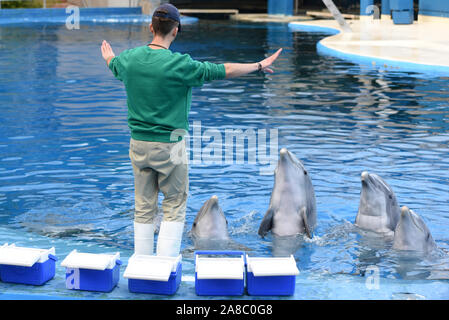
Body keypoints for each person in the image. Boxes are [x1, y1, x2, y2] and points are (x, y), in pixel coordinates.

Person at [101, 3, 282, 257]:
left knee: (143, 207)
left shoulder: (129, 59)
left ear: (151, 27)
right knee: (174, 205)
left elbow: (114, 64)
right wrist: (259, 65)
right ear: (175, 31)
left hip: (138, 145)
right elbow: (223, 70)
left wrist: (108, 56)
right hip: (170, 147)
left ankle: (142, 262)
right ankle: (165, 263)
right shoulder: (181, 65)